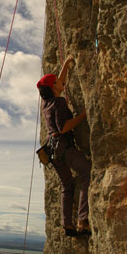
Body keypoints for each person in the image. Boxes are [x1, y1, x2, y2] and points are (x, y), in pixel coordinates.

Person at [37, 56, 92, 237]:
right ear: (53, 87)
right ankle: (83, 221)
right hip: (63, 146)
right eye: (58, 83)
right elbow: (64, 127)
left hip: (53, 151)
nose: (62, 83)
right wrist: (84, 115)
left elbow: (58, 81)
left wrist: (67, 63)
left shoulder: (46, 103)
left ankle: (67, 225)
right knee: (86, 171)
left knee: (66, 186)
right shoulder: (59, 102)